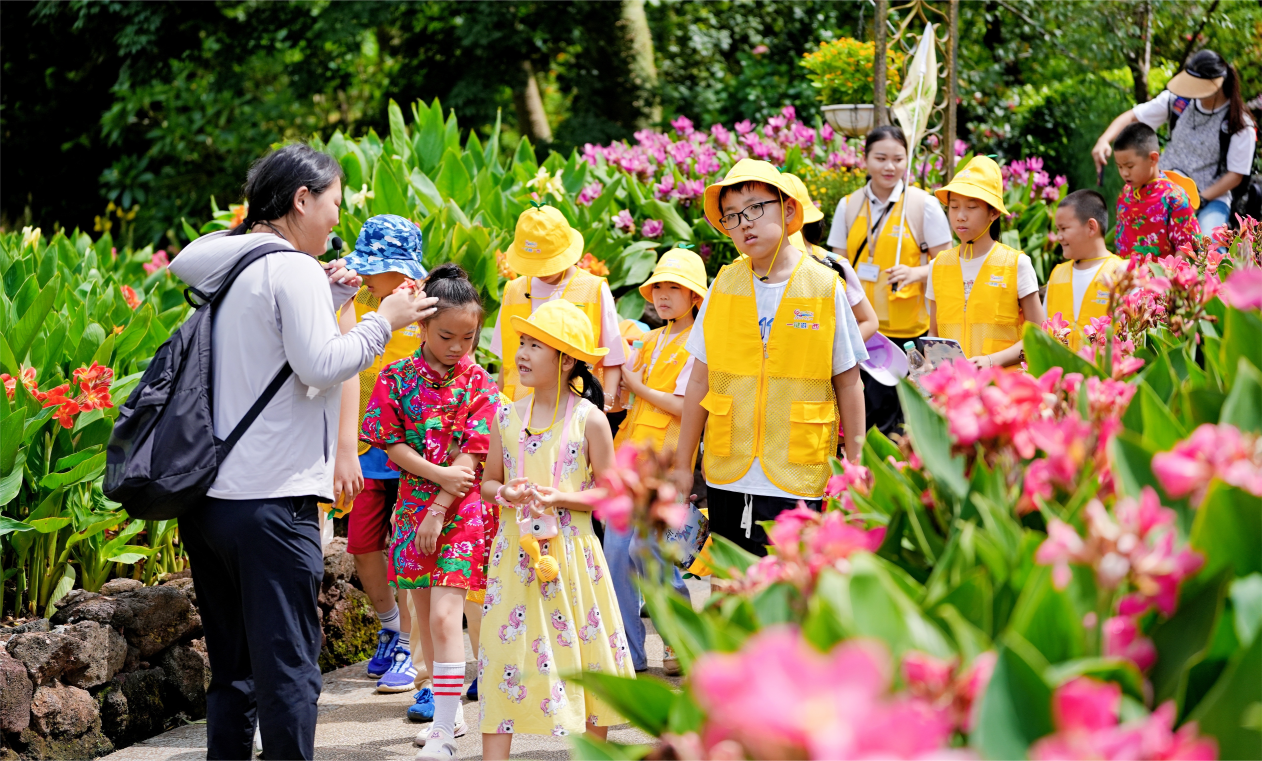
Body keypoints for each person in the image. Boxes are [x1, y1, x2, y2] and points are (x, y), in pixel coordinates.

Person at [168, 143, 436, 761]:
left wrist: (331, 298)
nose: (338, 221)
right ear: (302, 199)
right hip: (272, 505)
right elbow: (319, 365)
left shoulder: (240, 265)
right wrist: (383, 319)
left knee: (233, 671)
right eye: (335, 203)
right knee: (289, 672)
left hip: (210, 503)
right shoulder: (287, 267)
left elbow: (189, 261)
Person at [672, 159, 868, 558]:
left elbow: (849, 382)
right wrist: (681, 464)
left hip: (799, 470)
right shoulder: (723, 286)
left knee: (791, 589)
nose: (745, 223)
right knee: (727, 586)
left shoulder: (824, 287)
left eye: (756, 208)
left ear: (789, 209)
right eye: (732, 216)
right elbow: (698, 381)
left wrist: (856, 463)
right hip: (728, 469)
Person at [478, 299, 636, 756]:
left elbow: (610, 493)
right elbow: (489, 482)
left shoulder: (591, 419)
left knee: (585, 655)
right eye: (522, 343)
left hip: (572, 556)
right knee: (504, 658)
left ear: (566, 360)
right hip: (516, 554)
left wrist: (562, 498)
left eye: (534, 346)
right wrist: (504, 494)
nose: (521, 354)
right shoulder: (505, 417)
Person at [360, 263, 500, 758]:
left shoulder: (481, 382)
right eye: (446, 335)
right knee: (423, 615)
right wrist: (435, 479)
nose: (458, 347)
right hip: (409, 513)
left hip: (460, 512)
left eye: (469, 336)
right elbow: (387, 440)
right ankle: (451, 711)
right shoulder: (395, 377)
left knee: (445, 618)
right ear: (421, 326)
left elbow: (474, 452)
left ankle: (441, 731)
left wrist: (440, 500)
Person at [335, 214, 427, 694]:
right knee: (364, 547)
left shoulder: (427, 302)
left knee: (409, 550)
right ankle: (390, 625)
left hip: (414, 451)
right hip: (365, 448)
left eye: (377, 266)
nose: (368, 273)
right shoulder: (355, 298)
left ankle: (413, 645)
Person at [607, 247, 707, 676]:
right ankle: (629, 652)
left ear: (694, 296)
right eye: (659, 287)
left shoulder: (699, 345)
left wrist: (632, 383)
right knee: (615, 557)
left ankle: (679, 640)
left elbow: (687, 407)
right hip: (628, 461)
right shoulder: (649, 339)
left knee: (649, 552)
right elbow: (625, 395)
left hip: (666, 463)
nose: (663, 295)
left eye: (675, 288)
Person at [1092, 49, 1257, 233]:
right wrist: (1104, 140)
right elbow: (1133, 117)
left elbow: (1235, 175)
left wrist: (1198, 201)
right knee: (1139, 239)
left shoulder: (1239, 124)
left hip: (1209, 197)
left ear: (1216, 84)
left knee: (1209, 245)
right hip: (1163, 190)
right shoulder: (1179, 102)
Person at [492, 204, 624, 409]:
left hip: (575, 408)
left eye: (547, 261)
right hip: (517, 410)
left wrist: (604, 402)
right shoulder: (514, 290)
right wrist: (497, 409)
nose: (542, 271)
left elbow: (612, 357)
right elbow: (507, 364)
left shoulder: (593, 289)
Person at [925, 156, 1046, 366]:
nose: (960, 216)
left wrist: (990, 361)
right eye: (953, 207)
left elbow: (1038, 338)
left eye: (971, 207)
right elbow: (934, 333)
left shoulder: (1016, 264)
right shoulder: (938, 265)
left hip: (1002, 389)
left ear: (994, 212)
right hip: (953, 391)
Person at [1044, 190, 1126, 352]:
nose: (1058, 237)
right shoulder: (1057, 274)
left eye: (1063, 228)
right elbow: (1043, 328)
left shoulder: (1121, 272)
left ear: (1091, 227)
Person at [1108, 123, 1202, 259]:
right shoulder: (1125, 192)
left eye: (1130, 166)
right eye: (1120, 167)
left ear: (1153, 159)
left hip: (1159, 277)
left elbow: (1186, 246)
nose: (1124, 173)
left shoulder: (1174, 197)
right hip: (1126, 276)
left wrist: (1170, 275)